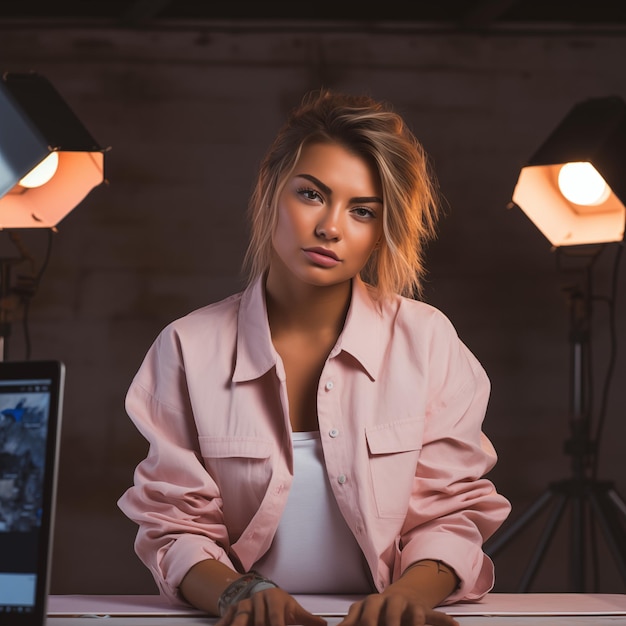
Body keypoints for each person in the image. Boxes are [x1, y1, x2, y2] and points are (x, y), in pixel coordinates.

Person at [118, 89, 511, 626]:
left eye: (362, 211)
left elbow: (450, 514)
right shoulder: (189, 346)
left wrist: (407, 601)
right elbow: (174, 527)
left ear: (381, 231)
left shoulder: (430, 341)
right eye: (311, 194)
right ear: (271, 192)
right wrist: (240, 595)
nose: (331, 226)